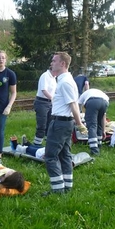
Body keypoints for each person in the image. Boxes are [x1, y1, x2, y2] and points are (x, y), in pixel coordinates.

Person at [43, 52, 86, 196]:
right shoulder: (64, 80)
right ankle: (67, 186)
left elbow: (73, 105)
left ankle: (57, 190)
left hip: (60, 124)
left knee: (50, 156)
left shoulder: (65, 82)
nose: (51, 63)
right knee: (65, 155)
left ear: (62, 64)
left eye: (54, 60)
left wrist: (79, 124)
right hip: (65, 123)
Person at [77, 88, 109, 155]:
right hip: (105, 102)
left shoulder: (83, 94)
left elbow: (78, 107)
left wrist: (78, 119)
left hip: (92, 102)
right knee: (99, 124)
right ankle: (99, 144)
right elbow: (103, 117)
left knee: (92, 126)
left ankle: (94, 150)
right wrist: (103, 130)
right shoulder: (100, 92)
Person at [33, 68, 57, 146]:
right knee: (42, 125)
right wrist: (53, 99)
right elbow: (44, 90)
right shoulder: (45, 76)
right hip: (41, 102)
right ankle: (37, 144)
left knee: (50, 124)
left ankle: (48, 144)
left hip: (50, 103)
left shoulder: (54, 78)